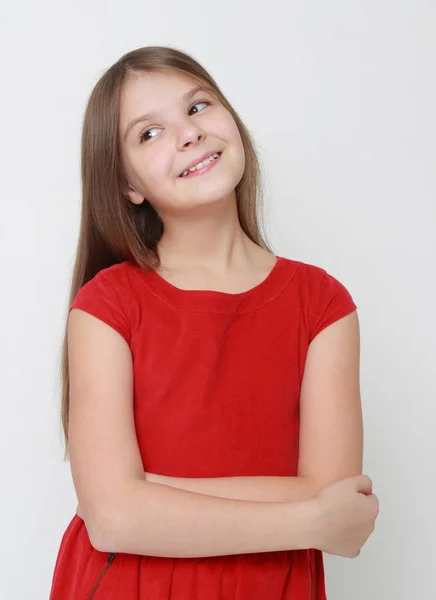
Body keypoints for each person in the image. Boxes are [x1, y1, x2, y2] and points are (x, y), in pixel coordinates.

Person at [48, 45, 379, 599]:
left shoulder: (322, 304)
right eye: (147, 133)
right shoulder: (106, 305)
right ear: (128, 185)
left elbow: (338, 501)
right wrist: (307, 516)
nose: (187, 134)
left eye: (198, 107)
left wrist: (149, 493)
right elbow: (113, 521)